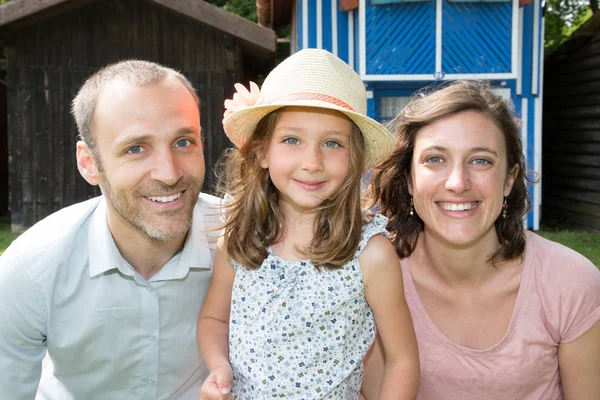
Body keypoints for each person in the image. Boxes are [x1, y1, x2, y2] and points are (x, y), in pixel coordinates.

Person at [197, 49, 420, 400]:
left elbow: (403, 360)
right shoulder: (239, 242)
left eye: (332, 143)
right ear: (262, 151)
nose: (312, 162)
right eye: (292, 140)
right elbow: (214, 320)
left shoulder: (370, 254)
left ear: (354, 158)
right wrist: (218, 367)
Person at [363, 80, 600, 399]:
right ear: (408, 178)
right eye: (435, 159)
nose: (458, 183)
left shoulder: (569, 283)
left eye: (481, 160)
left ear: (509, 179)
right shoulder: (368, 281)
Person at [0, 60, 221, 399]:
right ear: (89, 163)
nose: (169, 173)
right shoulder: (30, 271)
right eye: (136, 148)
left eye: (183, 142)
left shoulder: (244, 241)